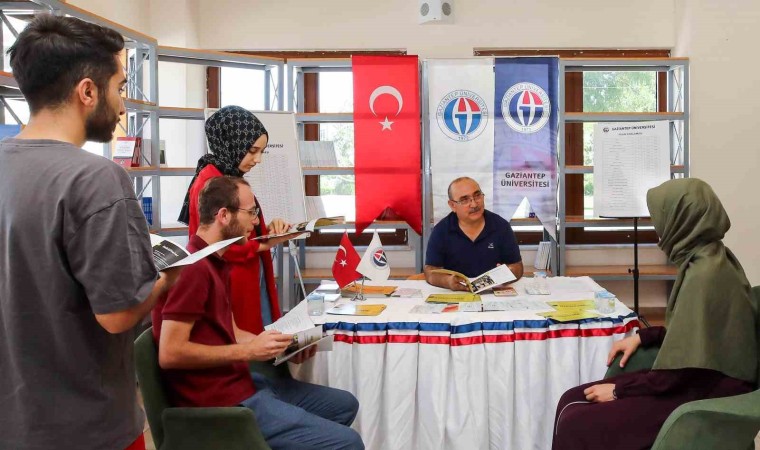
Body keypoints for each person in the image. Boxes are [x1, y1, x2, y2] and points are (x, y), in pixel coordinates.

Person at [0, 15, 180, 450]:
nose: (122, 106)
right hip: (86, 428)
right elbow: (119, 313)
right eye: (119, 88)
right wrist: (168, 277)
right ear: (87, 91)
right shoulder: (96, 179)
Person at [154, 176, 364, 450]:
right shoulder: (194, 269)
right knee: (348, 443)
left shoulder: (216, 261)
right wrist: (250, 352)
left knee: (344, 405)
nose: (256, 222)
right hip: (224, 402)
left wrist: (281, 346)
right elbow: (170, 353)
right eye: (252, 212)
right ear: (224, 215)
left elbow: (231, 332)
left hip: (244, 382)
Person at [552, 178, 759, 450]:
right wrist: (644, 337)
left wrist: (618, 391)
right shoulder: (712, 256)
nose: (658, 230)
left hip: (708, 394)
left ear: (681, 220)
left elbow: (682, 370)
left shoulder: (704, 274)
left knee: (576, 421)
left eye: (660, 220)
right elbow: (700, 332)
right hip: (699, 378)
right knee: (571, 399)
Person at [178, 105, 290, 333]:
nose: (257, 159)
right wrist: (265, 242)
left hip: (244, 278)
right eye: (252, 150)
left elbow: (235, 229)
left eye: (261, 151)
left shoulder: (225, 175)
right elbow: (217, 243)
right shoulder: (210, 182)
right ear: (231, 141)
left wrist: (266, 230)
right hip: (232, 283)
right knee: (246, 350)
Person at [424, 176, 524, 290]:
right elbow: (430, 271)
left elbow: (517, 267)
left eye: (477, 196)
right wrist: (447, 281)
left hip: (493, 292)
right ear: (453, 205)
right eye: (465, 200)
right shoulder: (441, 231)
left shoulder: (501, 226)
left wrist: (508, 274)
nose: (474, 204)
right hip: (455, 295)